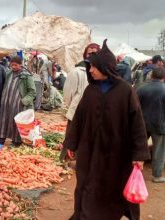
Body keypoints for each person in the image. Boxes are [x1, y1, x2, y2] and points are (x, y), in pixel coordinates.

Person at [63, 40, 150, 220]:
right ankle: (83, 214)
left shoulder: (126, 91)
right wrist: (71, 143)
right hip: (89, 151)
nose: (91, 70)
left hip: (116, 154)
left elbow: (137, 124)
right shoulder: (91, 91)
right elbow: (78, 119)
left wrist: (139, 154)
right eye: (90, 67)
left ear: (106, 67)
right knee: (86, 184)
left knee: (111, 187)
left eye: (94, 67)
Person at [60, 43, 100, 161]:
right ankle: (64, 161)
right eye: (89, 53)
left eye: (95, 53)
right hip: (76, 111)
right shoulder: (77, 71)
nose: (92, 55)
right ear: (84, 55)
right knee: (71, 136)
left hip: (94, 113)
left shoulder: (101, 74)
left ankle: (82, 161)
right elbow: (68, 93)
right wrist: (76, 105)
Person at [0, 56, 36, 146]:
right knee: (3, 120)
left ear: (20, 65)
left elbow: (32, 92)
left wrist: (24, 101)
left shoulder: (26, 76)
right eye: (12, 65)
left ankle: (16, 141)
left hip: (18, 104)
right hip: (6, 102)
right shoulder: (9, 73)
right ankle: (0, 138)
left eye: (15, 65)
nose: (13, 67)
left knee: (15, 123)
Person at [137, 67, 165, 183]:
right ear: (163, 77)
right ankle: (157, 175)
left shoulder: (141, 89)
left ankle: (131, 172)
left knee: (139, 148)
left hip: (142, 124)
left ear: (152, 76)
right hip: (160, 125)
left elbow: (135, 107)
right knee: (159, 151)